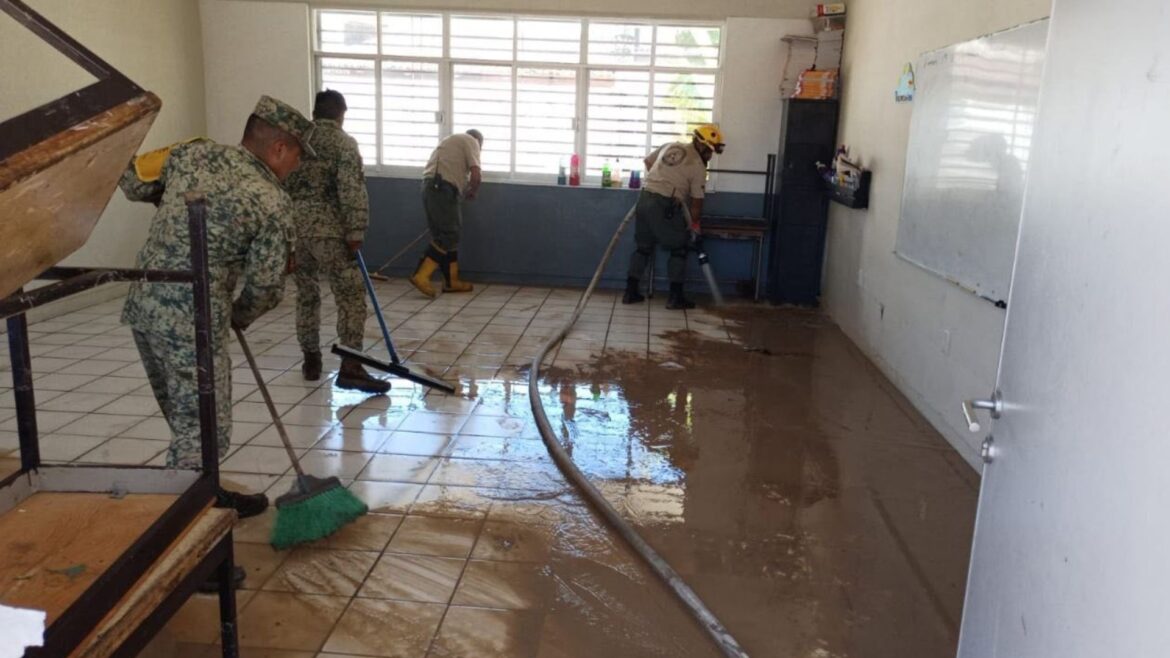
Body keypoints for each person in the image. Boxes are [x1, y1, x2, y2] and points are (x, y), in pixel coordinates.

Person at [120, 95, 313, 523]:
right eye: (298, 156)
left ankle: (208, 494)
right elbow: (266, 288)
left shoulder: (193, 151)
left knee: (186, 415)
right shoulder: (271, 200)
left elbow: (133, 182)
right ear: (279, 148)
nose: (296, 168)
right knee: (204, 432)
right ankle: (183, 540)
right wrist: (238, 315)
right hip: (194, 324)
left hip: (144, 306)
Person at [285, 89, 390, 394]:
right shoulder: (343, 143)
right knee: (350, 297)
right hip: (330, 231)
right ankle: (351, 366)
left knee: (306, 295)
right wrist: (356, 230)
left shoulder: (297, 141)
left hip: (295, 231)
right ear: (341, 114)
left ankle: (311, 360)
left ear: (315, 113)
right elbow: (350, 188)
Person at [623, 124, 727, 310]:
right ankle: (675, 297)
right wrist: (694, 227)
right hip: (664, 205)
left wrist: (661, 182)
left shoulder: (671, 146)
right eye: (710, 151)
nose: (710, 156)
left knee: (643, 248)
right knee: (679, 247)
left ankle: (630, 292)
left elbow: (648, 162)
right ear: (702, 145)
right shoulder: (698, 166)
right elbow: (696, 203)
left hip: (645, 198)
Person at [409, 129, 483, 298]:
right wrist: (473, 191)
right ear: (479, 142)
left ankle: (451, 281)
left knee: (443, 237)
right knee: (450, 234)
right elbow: (476, 175)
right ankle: (421, 275)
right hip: (442, 188)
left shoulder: (451, 142)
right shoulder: (472, 142)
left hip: (430, 186)